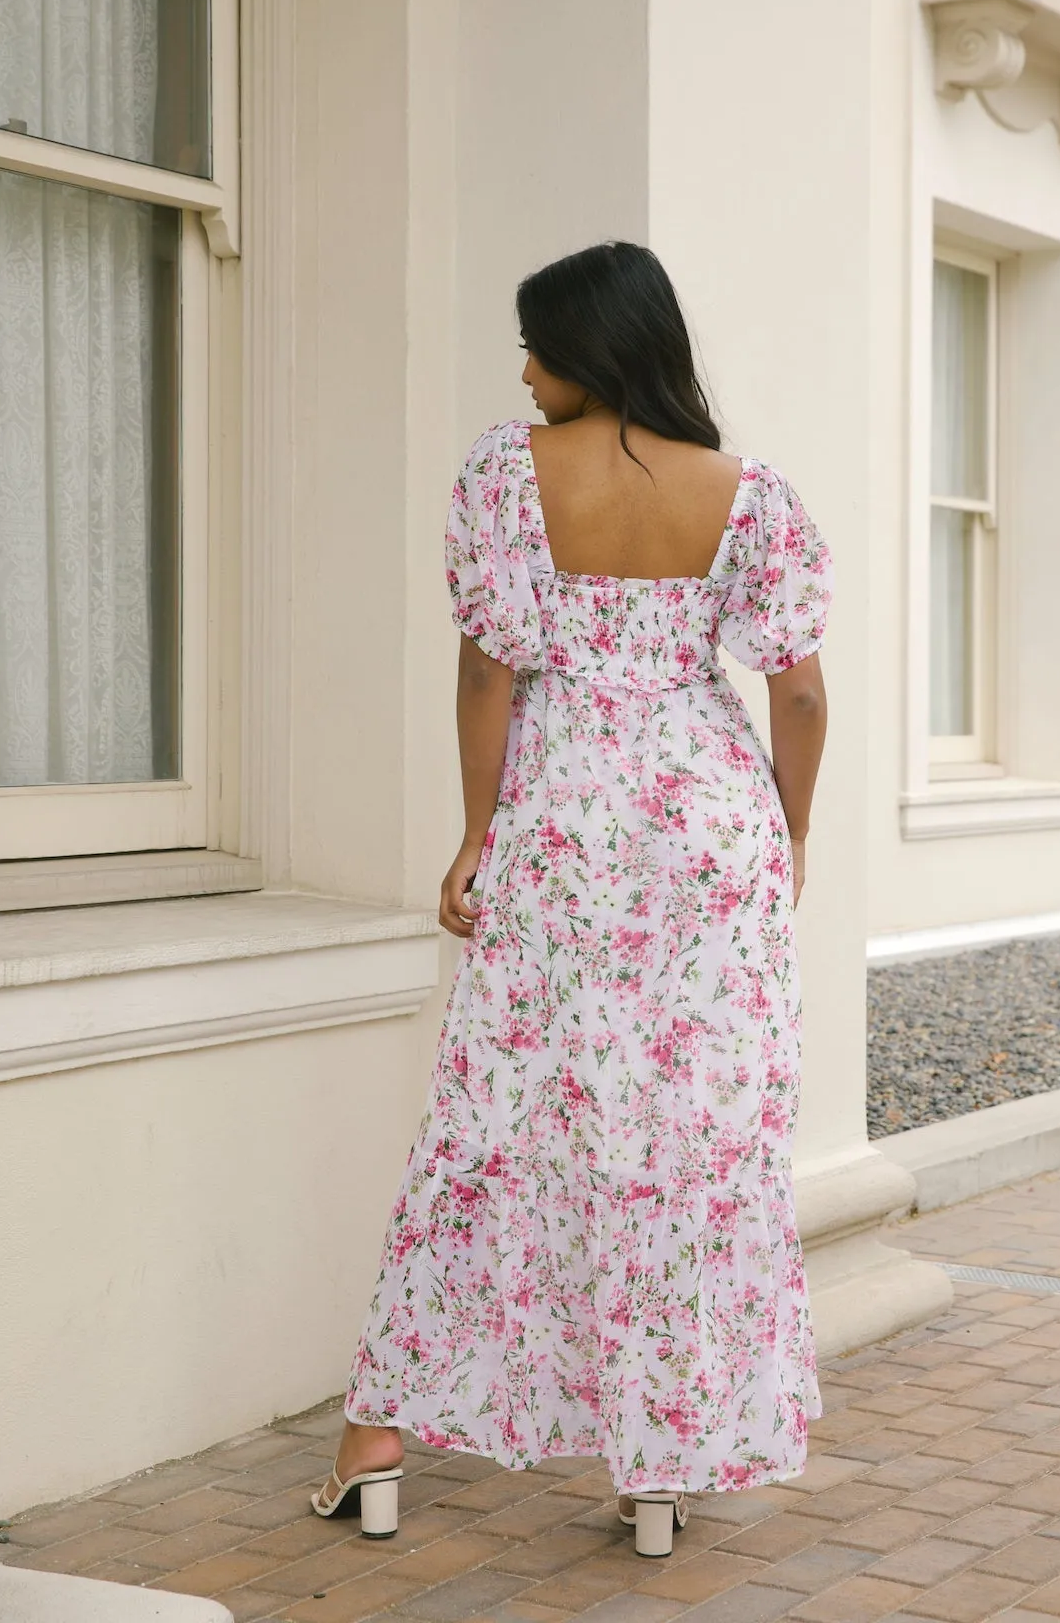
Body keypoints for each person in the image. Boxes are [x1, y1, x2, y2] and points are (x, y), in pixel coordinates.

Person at [312, 241, 832, 1560]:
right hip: (706, 834)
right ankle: (655, 1469)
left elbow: (489, 676)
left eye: (538, 343)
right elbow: (801, 692)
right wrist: (791, 838)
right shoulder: (748, 494)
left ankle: (379, 1436)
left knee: (492, 1119)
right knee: (690, 1150)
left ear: (589, 349)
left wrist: (479, 834)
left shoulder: (505, 474)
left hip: (559, 824)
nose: (526, 368)